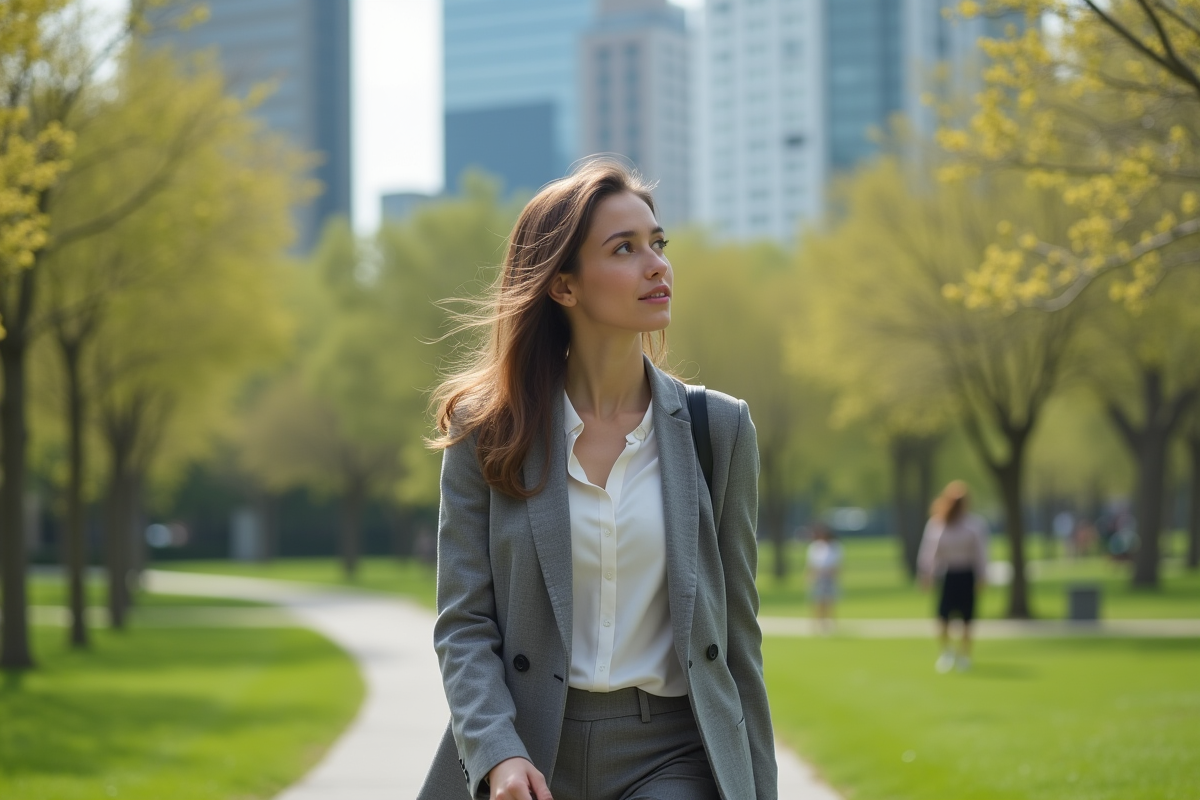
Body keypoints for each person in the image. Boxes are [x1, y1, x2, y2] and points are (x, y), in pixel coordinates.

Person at [418, 159, 777, 800]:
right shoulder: (488, 433)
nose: (657, 265)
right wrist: (497, 755)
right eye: (625, 249)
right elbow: (464, 624)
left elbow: (738, 641)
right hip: (528, 750)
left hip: (672, 753)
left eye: (658, 245)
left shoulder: (717, 429)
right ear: (563, 286)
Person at [917, 480, 989, 673]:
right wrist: (927, 574)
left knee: (967, 618)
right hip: (947, 573)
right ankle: (946, 652)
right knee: (943, 617)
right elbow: (929, 552)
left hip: (966, 573)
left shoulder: (974, 525)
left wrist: (982, 575)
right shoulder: (938, 523)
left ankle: (964, 655)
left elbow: (980, 552)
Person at [804, 523, 842, 633]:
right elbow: (811, 563)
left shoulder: (834, 546)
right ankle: (816, 623)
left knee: (829, 600)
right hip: (818, 576)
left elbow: (837, 564)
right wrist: (809, 575)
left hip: (829, 577)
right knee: (817, 600)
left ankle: (829, 623)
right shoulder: (815, 546)